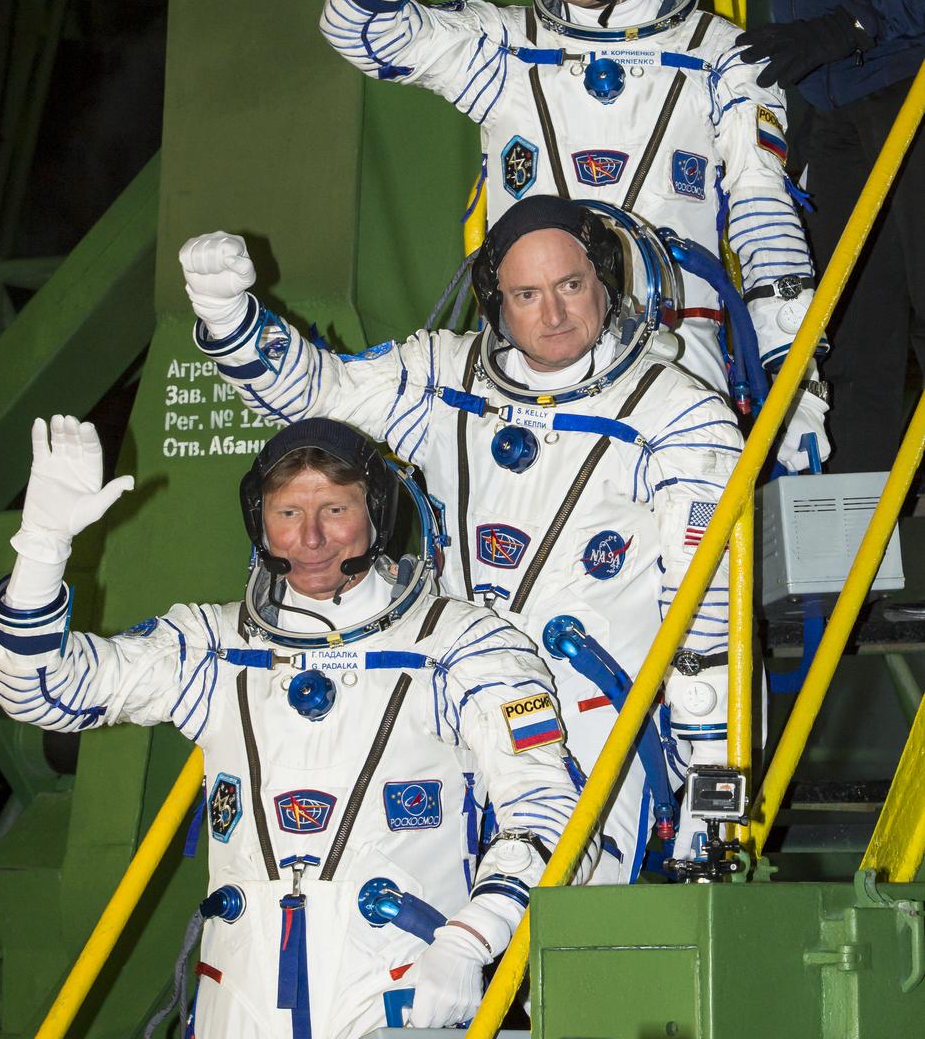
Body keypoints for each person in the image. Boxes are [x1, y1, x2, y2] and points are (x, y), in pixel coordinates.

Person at [179, 197, 743, 885]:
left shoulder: (677, 411)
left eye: (569, 286)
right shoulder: (442, 380)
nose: (553, 314)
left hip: (588, 717)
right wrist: (231, 319)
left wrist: (710, 771)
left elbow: (707, 607)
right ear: (495, 302)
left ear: (605, 282)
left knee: (567, 931)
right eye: (526, 294)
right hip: (443, 705)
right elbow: (318, 398)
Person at [0, 414, 596, 1038]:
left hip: (404, 992)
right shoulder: (215, 648)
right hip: (241, 1004)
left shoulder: (461, 646)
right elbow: (42, 692)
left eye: (335, 509)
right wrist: (40, 549)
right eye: (286, 514)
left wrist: (470, 942)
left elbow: (552, 809)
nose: (311, 540)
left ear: (378, 512)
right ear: (259, 521)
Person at [318, 0, 828, 469]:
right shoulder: (504, 49)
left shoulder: (720, 55)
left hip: (678, 359)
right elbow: (353, 28)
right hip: (526, 366)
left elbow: (763, 215)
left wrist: (795, 381)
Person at [736, 0, 925, 474]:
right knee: (848, 336)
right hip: (833, 91)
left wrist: (851, 23)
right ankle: (853, 572)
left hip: (901, 69)